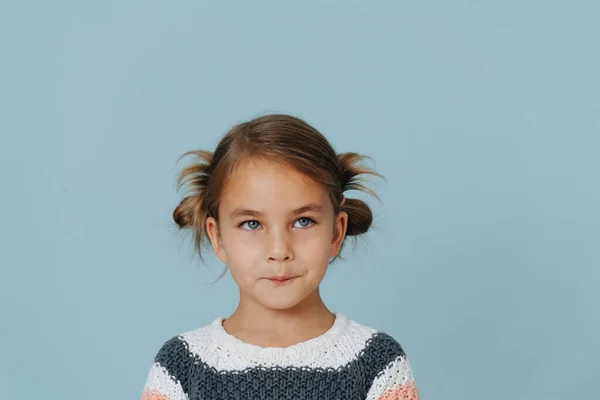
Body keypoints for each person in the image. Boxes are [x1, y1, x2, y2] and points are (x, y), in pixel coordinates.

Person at [140, 114, 420, 400]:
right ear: (218, 237)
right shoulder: (181, 365)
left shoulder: (376, 362)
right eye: (252, 224)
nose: (279, 250)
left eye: (303, 221)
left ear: (336, 232)